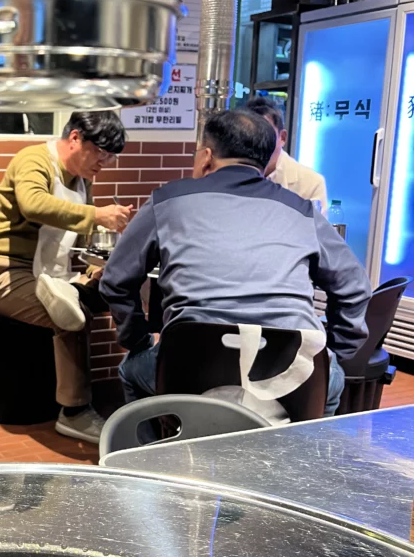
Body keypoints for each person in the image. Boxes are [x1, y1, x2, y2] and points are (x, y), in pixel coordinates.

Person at [100, 109, 371, 416]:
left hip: (189, 372)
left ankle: (152, 445)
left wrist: (137, 339)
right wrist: (334, 350)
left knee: (131, 369)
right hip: (292, 376)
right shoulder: (303, 211)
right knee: (329, 380)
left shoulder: (167, 201)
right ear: (267, 163)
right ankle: (308, 445)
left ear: (206, 156)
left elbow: (116, 281)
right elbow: (355, 288)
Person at [0, 111, 132, 444]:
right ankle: (75, 412)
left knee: (113, 290)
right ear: (75, 138)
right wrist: (97, 215)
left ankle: (136, 387)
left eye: (110, 156)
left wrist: (94, 269)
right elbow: (34, 204)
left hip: (49, 273)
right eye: (100, 152)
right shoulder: (34, 160)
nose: (104, 163)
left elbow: (81, 240)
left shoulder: (82, 180)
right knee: (69, 314)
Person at [247, 95, 328, 213]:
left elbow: (314, 225)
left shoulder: (311, 183)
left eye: (265, 135)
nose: (257, 142)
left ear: (283, 137)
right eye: (249, 135)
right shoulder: (228, 174)